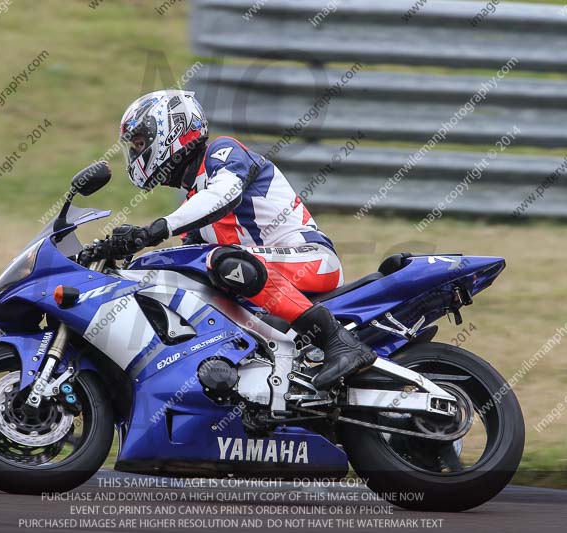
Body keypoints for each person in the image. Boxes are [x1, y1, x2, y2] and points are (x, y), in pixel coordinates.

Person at [105, 89, 377, 389]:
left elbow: (224, 195)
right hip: (269, 276)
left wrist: (151, 231)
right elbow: (186, 266)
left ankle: (339, 341)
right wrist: (129, 261)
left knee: (223, 260)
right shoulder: (193, 202)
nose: (136, 153)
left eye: (141, 143)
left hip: (310, 259)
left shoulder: (223, 153)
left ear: (172, 129)